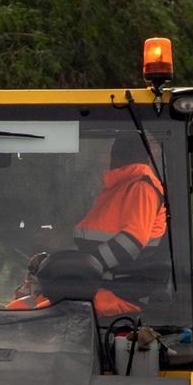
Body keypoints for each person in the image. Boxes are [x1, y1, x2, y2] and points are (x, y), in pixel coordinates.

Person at [74, 135, 170, 316]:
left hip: (120, 294)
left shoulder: (142, 187)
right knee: (30, 304)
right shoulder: (122, 186)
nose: (111, 158)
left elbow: (131, 242)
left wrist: (85, 266)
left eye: (114, 153)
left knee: (47, 310)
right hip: (100, 288)